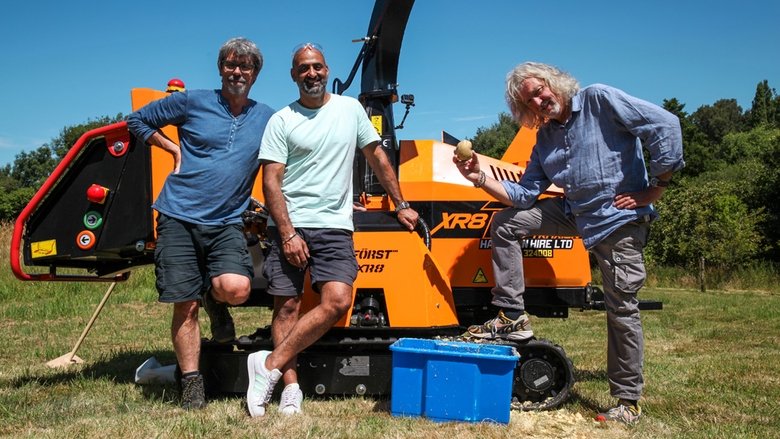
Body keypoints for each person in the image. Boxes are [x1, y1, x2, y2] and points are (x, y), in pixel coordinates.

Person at [454, 62, 684, 425]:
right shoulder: (544, 138)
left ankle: (627, 402)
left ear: (553, 82)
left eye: (539, 91)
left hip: (617, 218)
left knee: (621, 309)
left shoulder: (599, 99)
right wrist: (479, 177)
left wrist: (657, 187)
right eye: (529, 101)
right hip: (574, 212)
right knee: (506, 223)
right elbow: (523, 194)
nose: (538, 101)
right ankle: (513, 316)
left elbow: (665, 125)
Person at [246, 43, 419, 417]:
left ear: (327, 70)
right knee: (287, 305)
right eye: (303, 68)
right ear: (294, 75)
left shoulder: (350, 109)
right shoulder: (282, 120)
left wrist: (401, 204)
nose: (311, 73)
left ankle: (267, 365)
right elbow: (271, 181)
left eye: (317, 67)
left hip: (335, 226)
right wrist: (288, 233)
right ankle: (290, 388)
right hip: (290, 224)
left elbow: (377, 156)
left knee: (338, 301)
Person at [127, 37, 274, 410]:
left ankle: (216, 300)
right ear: (220, 68)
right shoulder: (191, 101)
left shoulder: (267, 118)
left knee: (237, 289)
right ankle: (192, 383)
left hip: (226, 221)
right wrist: (171, 147)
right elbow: (137, 120)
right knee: (185, 304)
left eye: (245, 66)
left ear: (255, 73)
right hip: (178, 215)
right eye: (230, 64)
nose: (237, 71)